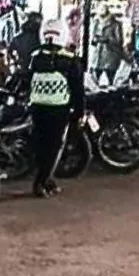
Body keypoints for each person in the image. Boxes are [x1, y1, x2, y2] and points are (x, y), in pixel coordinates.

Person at [28, 19, 85, 198]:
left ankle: (48, 180)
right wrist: (79, 112)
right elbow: (77, 89)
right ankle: (41, 182)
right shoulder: (69, 59)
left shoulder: (36, 56)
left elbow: (27, 78)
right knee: (53, 147)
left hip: (37, 107)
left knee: (41, 144)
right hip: (58, 108)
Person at [91, 5, 124, 85]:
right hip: (98, 55)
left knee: (111, 79)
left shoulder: (115, 24)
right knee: (94, 80)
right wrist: (95, 40)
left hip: (111, 55)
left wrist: (107, 39)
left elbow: (119, 40)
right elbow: (93, 39)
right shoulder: (96, 22)